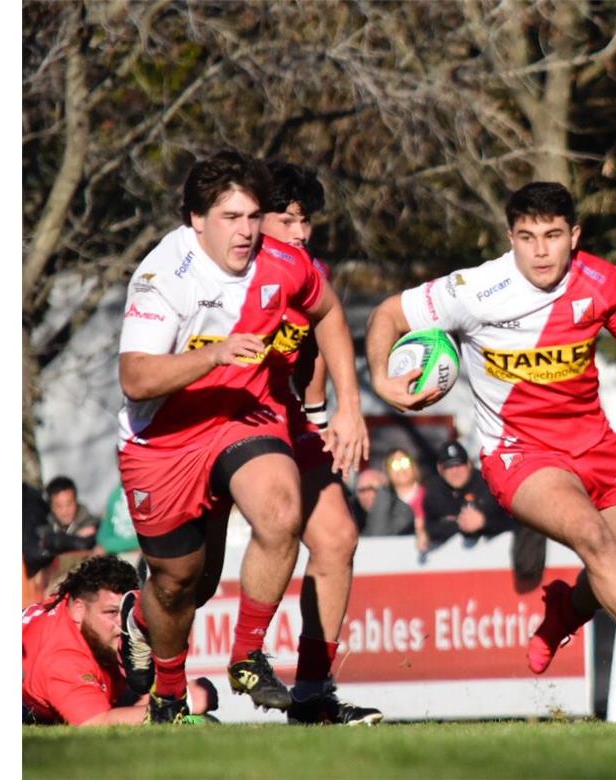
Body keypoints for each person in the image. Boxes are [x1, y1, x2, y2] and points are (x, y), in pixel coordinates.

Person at [365, 181, 616, 708]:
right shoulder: (475, 290)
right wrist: (380, 377)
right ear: (510, 237)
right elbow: (387, 315)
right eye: (527, 237)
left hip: (595, 446)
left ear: (573, 236)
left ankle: (562, 613)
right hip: (519, 453)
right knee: (594, 541)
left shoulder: (603, 282)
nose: (540, 251)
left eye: (552, 235)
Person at [114, 149, 367, 724]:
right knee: (181, 583)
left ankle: (250, 658)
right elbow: (135, 378)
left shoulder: (283, 263)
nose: (247, 231)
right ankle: (168, 692)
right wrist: (214, 356)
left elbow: (328, 312)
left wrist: (346, 408)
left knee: (283, 513)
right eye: (231, 218)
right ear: (196, 220)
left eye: (253, 217)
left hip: (247, 414)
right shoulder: (163, 278)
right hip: (165, 438)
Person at [259, 160, 381, 725]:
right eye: (286, 220)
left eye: (305, 220)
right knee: (194, 575)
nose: (300, 232)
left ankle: (312, 696)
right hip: (216, 426)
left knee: (337, 537)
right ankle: (161, 688)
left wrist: (324, 416)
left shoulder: (311, 272)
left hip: (286, 421)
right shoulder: (224, 273)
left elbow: (315, 347)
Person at [22, 555, 216, 725]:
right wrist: (185, 703)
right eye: (111, 612)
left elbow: (137, 697)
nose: (122, 622)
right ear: (78, 609)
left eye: (127, 611)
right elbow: (96, 723)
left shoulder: (85, 616)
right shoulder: (63, 656)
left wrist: (171, 696)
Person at [422, 441, 516, 547]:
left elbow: (513, 521)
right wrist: (459, 523)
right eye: (449, 466)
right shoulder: (434, 490)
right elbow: (429, 529)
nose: (455, 471)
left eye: (459, 464)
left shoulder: (488, 484)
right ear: (439, 469)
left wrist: (484, 522)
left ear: (469, 464)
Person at [38, 476, 102, 593]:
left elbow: (88, 544)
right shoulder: (45, 528)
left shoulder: (92, 524)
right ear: (51, 507)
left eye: (69, 504)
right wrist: (75, 539)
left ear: (76, 501)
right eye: (59, 506)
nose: (65, 511)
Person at [351, 467, 416, 536]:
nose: (366, 495)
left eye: (371, 488)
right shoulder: (355, 513)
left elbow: (378, 535)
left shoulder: (403, 511)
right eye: (361, 490)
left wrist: (382, 494)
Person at [384, 449, 428, 549]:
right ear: (387, 470)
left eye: (405, 462)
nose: (401, 469)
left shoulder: (429, 494)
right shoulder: (384, 501)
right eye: (395, 464)